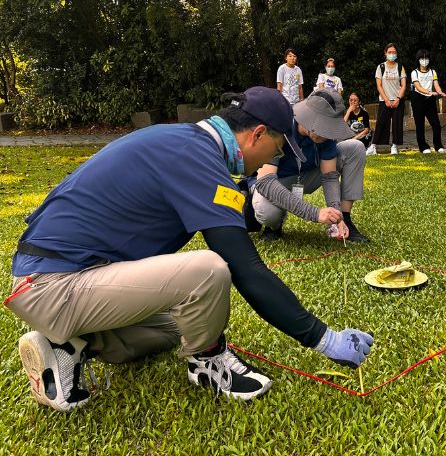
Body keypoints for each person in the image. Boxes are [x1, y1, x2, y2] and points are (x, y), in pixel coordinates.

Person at [7, 87, 374, 412]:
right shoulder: (195, 156)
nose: (269, 160)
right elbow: (244, 266)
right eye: (274, 149)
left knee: (177, 329)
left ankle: (69, 344)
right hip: (52, 285)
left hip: (65, 278)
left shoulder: (186, 142)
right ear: (257, 134)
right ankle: (208, 362)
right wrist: (323, 338)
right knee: (209, 270)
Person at [244, 89, 370, 243]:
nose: (329, 133)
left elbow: (330, 177)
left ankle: (346, 219)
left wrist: (337, 216)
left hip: (308, 176)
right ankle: (274, 226)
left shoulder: (326, 136)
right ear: (312, 120)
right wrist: (315, 213)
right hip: (276, 180)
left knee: (355, 147)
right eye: (326, 127)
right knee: (268, 213)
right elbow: (265, 182)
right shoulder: (279, 126)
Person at [366, 44, 407, 156]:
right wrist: (386, 99)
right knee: (381, 123)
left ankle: (394, 146)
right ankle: (373, 146)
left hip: (398, 100)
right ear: (385, 53)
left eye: (394, 52)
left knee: (397, 124)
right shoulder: (381, 67)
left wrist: (398, 98)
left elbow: (403, 85)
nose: (392, 54)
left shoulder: (400, 67)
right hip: (384, 100)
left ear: (397, 54)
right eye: (390, 52)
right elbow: (379, 85)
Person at [410, 49, 446, 153]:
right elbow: (418, 86)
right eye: (422, 58)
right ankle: (423, 147)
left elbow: (436, 84)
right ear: (418, 59)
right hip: (418, 99)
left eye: (426, 58)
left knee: (436, 124)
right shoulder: (414, 73)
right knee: (420, 124)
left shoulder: (432, 71)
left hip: (430, 100)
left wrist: (440, 92)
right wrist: (429, 92)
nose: (424, 60)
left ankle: (438, 145)